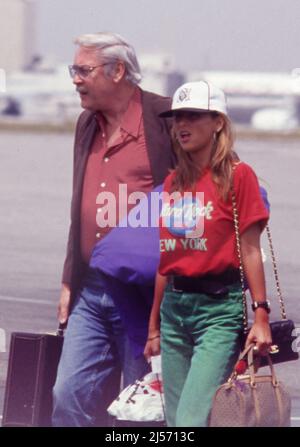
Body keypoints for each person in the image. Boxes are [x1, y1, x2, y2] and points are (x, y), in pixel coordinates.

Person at [52, 32, 175, 427]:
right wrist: (69, 280)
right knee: (68, 394)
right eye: (75, 70)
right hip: (91, 289)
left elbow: (217, 177)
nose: (75, 79)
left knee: (141, 411)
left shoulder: (167, 117)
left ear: (118, 70)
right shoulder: (87, 122)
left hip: (144, 295)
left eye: (83, 70)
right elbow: (80, 208)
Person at [144, 80, 272, 427]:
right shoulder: (174, 182)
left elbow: (250, 249)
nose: (181, 125)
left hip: (218, 311)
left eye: (193, 116)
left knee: (190, 420)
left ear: (218, 122)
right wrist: (154, 325)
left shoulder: (238, 175)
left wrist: (261, 314)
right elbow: (166, 258)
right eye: (177, 117)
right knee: (175, 422)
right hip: (174, 310)